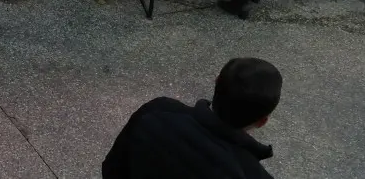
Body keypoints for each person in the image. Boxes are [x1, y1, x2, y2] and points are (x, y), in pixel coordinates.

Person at [102, 57, 283, 178]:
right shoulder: (251, 173)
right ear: (262, 121)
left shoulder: (158, 111)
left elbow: (111, 169)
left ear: (217, 80)